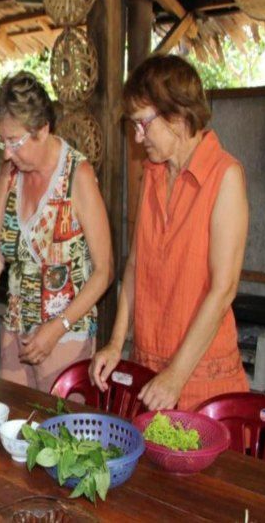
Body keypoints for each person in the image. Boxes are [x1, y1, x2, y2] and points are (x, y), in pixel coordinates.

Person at [89, 55, 249, 411]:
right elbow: (134, 266)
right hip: (150, 370)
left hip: (200, 381)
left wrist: (176, 375)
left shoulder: (225, 177)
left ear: (177, 115)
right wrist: (116, 343)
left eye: (143, 123)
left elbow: (223, 290)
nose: (137, 135)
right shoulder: (153, 175)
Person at [0, 72, 113, 392]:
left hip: (67, 338)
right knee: (14, 427)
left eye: (15, 141)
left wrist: (57, 327)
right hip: (15, 332)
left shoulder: (76, 176)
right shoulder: (10, 176)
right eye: (3, 140)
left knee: (61, 435)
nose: (7, 153)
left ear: (42, 130)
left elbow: (104, 272)